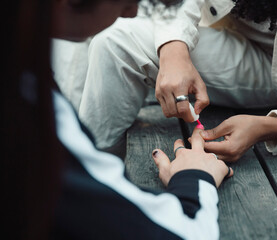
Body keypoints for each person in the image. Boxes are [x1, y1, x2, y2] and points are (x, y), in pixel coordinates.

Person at [2, 0, 233, 239]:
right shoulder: (28, 112)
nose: (133, 11)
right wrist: (195, 176)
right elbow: (185, 232)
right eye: (126, 2)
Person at [73, 0, 277, 161]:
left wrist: (271, 127)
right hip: (224, 40)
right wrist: (174, 51)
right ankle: (86, 173)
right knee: (113, 41)